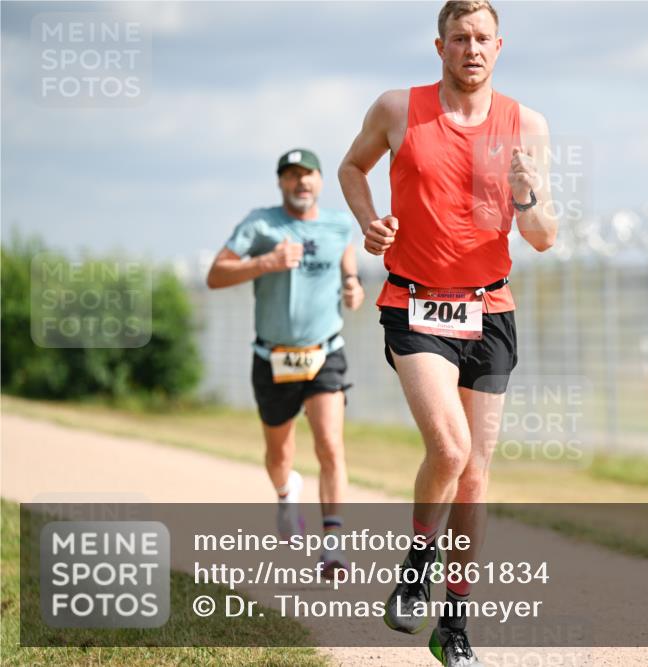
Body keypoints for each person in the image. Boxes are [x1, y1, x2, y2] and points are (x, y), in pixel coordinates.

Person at [338, 2, 558, 664]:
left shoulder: (527, 125)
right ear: (439, 46)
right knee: (451, 445)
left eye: (482, 38)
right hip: (414, 304)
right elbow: (352, 167)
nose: (471, 48)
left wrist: (525, 197)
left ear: (500, 46)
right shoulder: (397, 109)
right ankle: (415, 565)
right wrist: (370, 222)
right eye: (459, 38)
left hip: (489, 309)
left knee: (476, 473)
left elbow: (543, 237)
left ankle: (453, 622)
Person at [206, 148, 364, 578]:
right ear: (281, 183)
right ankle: (285, 493)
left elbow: (345, 251)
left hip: (324, 352)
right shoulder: (261, 224)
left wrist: (352, 282)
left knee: (330, 444)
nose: (301, 183)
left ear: (320, 181)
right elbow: (216, 275)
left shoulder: (336, 223)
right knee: (279, 454)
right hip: (272, 357)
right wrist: (265, 262)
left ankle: (333, 545)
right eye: (292, 176)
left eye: (308, 175)